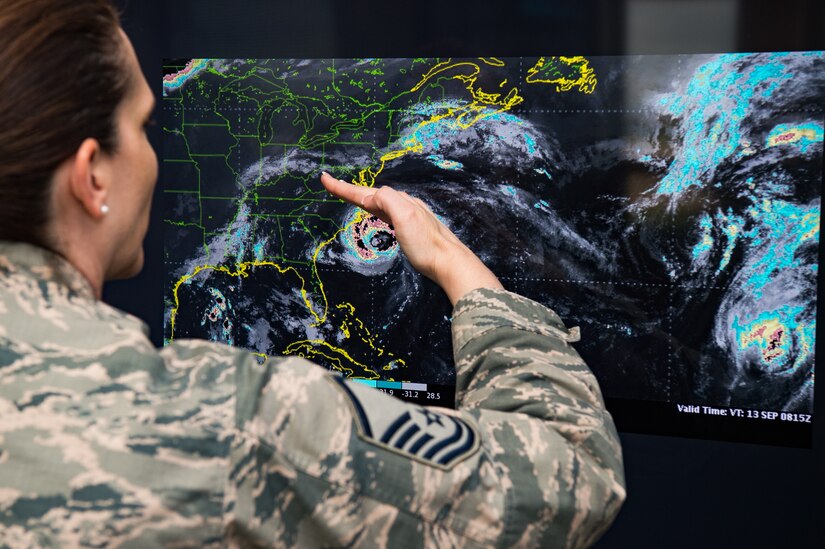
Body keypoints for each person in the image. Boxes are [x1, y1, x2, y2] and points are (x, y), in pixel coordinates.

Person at [0, 0, 625, 546]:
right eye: (144, 126)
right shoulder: (225, 416)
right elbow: (567, 479)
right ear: (92, 176)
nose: (153, 153)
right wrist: (461, 268)